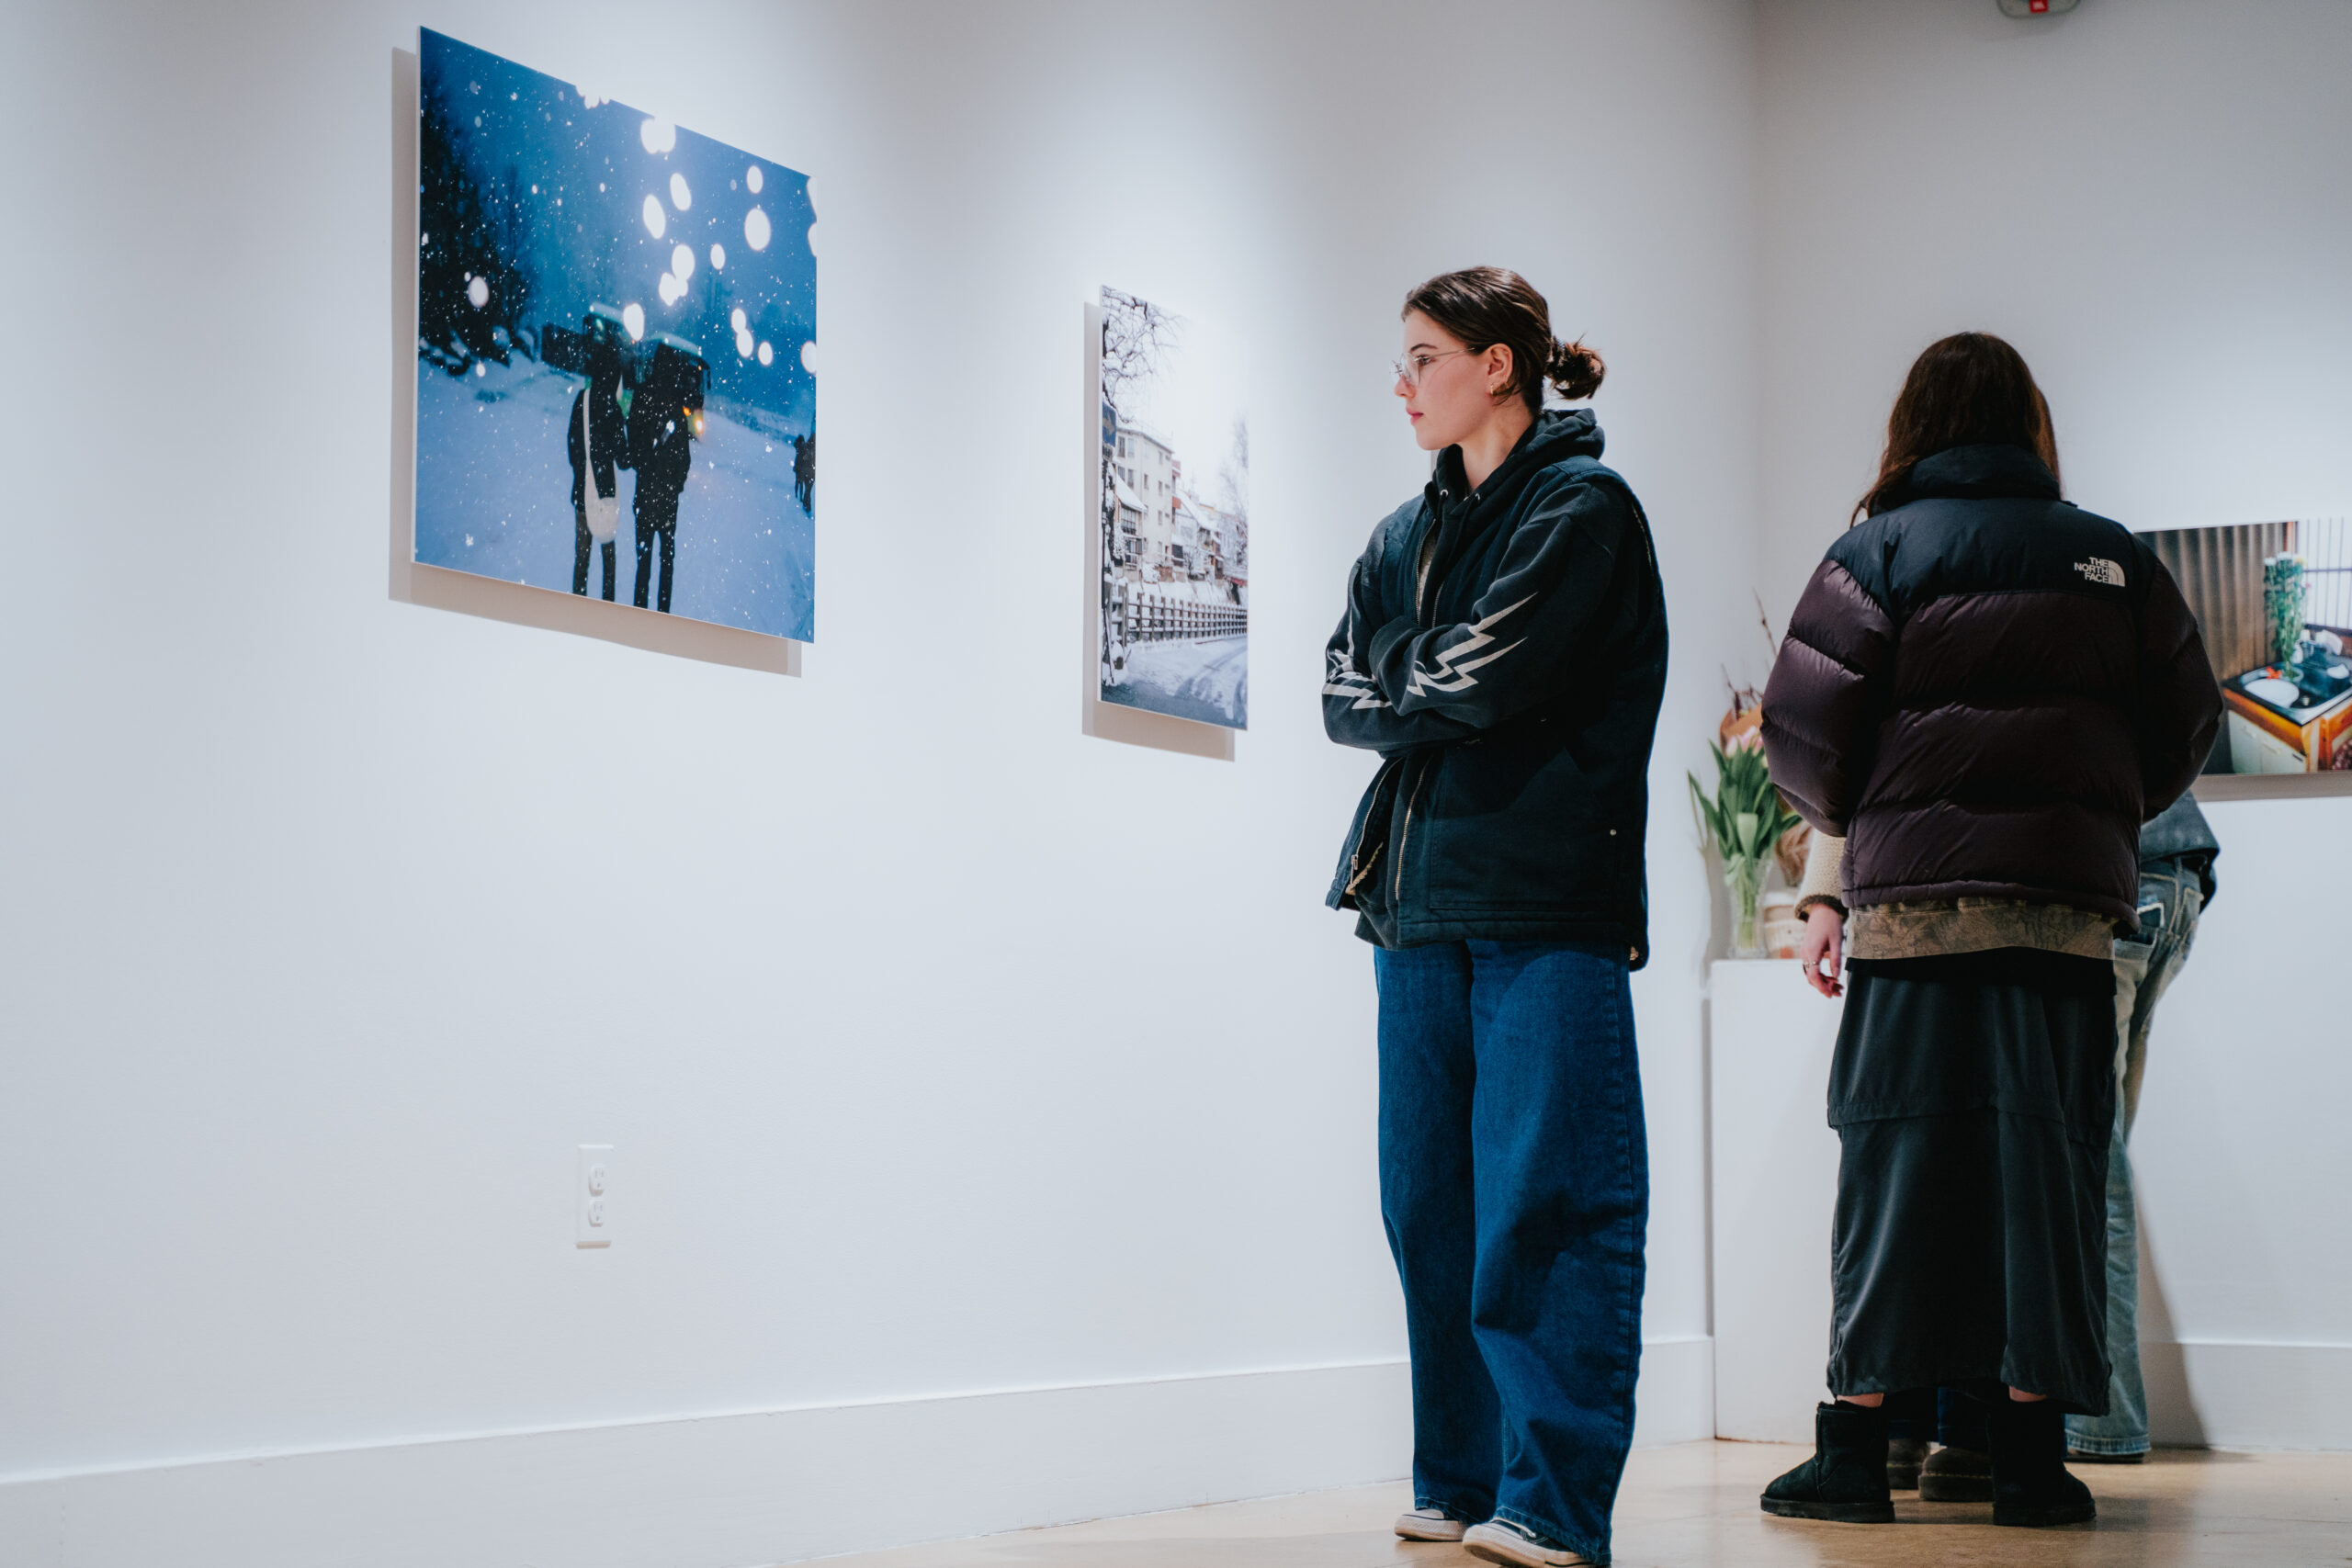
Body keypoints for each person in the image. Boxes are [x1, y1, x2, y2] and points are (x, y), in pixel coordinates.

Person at [1759, 332, 2220, 1529]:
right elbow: (2185, 730)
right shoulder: (2108, 559)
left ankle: (1856, 1450)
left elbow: (1802, 737)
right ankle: (2025, 1458)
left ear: (1912, 423)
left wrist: (1855, 831)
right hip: (2063, 923)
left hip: (1915, 924)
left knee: (1894, 1175)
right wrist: (2089, 815)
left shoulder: (1876, 553)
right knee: (2046, 1180)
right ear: (2030, 426)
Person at [1321, 266, 1667, 1568]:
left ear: (1499, 365)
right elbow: (1340, 692)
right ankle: (1459, 1476)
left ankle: (1553, 1501)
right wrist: (1431, 679)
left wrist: (1413, 678)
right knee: (1431, 1205)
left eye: (1423, 355)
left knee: (1551, 1199)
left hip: (1544, 909)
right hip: (1413, 911)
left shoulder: (1584, 513)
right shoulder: (1399, 538)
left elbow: (1482, 676)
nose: (1400, 382)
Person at [2067, 792, 2218, 1463]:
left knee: (2092, 1167)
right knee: (2104, 1150)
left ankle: (2104, 1421)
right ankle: (2098, 1415)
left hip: (2116, 879)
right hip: (2177, 877)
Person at [628, 342, 703, 614]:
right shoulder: (676, 403)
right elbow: (684, 457)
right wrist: (674, 486)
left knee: (643, 561)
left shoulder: (641, 395)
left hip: (645, 496)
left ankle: (639, 613)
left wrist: (646, 468)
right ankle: (663, 616)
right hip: (668, 502)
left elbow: (633, 448)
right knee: (666, 562)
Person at [566, 320, 627, 601]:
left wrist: (583, 471)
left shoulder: (583, 399)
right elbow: (624, 459)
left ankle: (578, 609)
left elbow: (572, 446)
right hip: (605, 496)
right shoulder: (613, 410)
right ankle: (607, 612)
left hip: (582, 493)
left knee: (582, 560)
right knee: (608, 559)